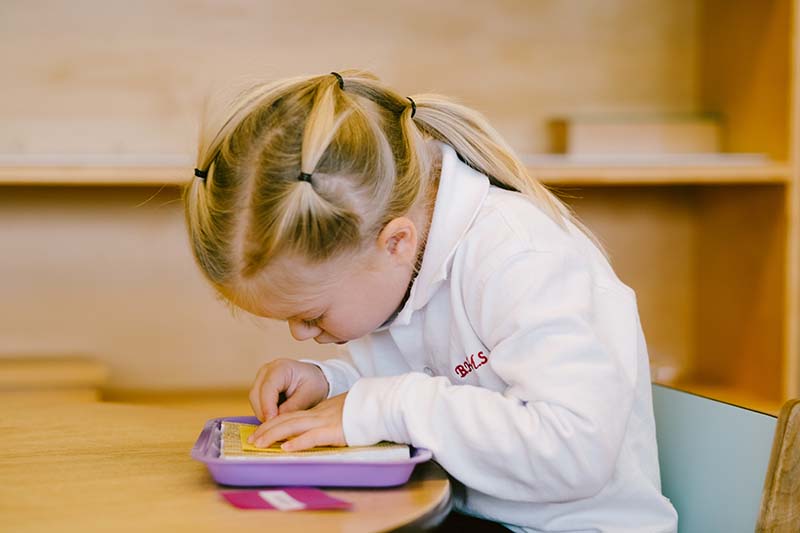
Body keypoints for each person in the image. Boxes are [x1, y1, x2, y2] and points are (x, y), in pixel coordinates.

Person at [184, 69, 678, 532]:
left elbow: (574, 452)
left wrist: (384, 404)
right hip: (469, 511)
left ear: (396, 243)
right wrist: (331, 382)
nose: (300, 332)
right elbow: (438, 381)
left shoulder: (519, 255)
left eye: (310, 315)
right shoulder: (397, 265)